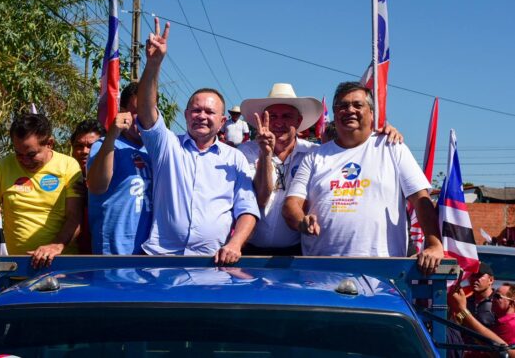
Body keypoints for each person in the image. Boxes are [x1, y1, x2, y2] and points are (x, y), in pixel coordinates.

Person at [282, 81, 443, 274]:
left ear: (372, 113)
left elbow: (421, 199)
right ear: (334, 114)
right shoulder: (314, 157)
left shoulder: (393, 147)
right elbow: (291, 204)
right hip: (321, 271)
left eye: (358, 105)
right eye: (342, 106)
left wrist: (434, 244)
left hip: (383, 271)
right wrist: (301, 221)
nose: (349, 110)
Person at [136, 18, 259, 264]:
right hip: (161, 260)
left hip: (214, 263)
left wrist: (235, 245)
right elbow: (147, 111)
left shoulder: (234, 158)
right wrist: (153, 64)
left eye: (209, 112)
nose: (202, 116)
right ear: (185, 115)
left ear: (222, 121)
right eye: (196, 110)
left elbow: (247, 209)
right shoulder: (167, 147)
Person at [238, 83, 404, 256]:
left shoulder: (314, 154)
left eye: (287, 116)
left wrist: (384, 132)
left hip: (295, 252)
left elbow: (347, 149)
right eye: (272, 116)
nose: (279, 122)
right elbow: (259, 199)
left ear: (299, 121)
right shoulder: (246, 153)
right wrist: (265, 155)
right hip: (249, 249)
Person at [0, 113, 84, 268]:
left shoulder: (68, 166)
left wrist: (56, 246)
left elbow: (75, 216)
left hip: (60, 265)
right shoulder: (1, 168)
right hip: (16, 268)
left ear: (50, 143)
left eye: (31, 155)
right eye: (18, 154)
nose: (24, 161)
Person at [87, 82, 153, 255]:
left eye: (149, 112)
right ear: (123, 112)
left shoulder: (157, 149)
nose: (143, 119)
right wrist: (111, 137)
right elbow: (96, 186)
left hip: (151, 254)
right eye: (137, 113)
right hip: (114, 253)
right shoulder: (103, 145)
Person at [449, 284, 515, 356]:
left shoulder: (510, 324)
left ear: (511, 303)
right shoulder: (500, 321)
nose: (492, 299)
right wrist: (459, 312)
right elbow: (478, 336)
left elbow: (488, 342)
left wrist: (462, 310)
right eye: (493, 296)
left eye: (497, 296)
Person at [70, 118, 104, 253]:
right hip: (68, 260)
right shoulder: (62, 180)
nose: (84, 151)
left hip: (103, 257)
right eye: (79, 146)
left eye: (92, 146)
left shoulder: (118, 182)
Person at [467, 262, 496, 328]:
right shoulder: (465, 302)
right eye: (472, 275)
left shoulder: (499, 301)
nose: (474, 279)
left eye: (478, 276)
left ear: (491, 280)